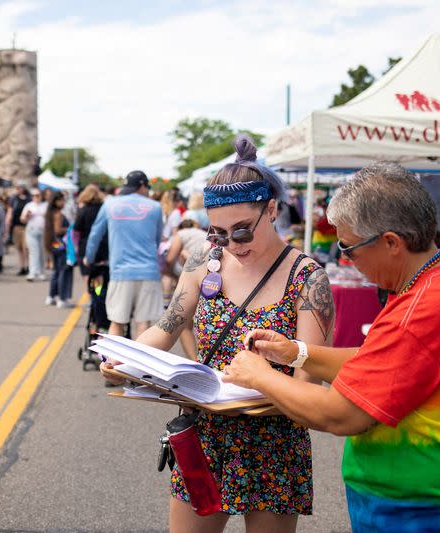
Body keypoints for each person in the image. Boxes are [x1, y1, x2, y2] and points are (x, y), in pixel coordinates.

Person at [223, 162, 440, 533]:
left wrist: (260, 376)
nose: (346, 259)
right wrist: (296, 353)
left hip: (432, 511)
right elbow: (380, 363)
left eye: (348, 247)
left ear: (391, 242)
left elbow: (341, 414)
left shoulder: (422, 308)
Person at [101, 137, 334, 533]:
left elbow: (308, 382)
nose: (231, 245)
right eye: (219, 233)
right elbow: (167, 326)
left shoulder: (307, 278)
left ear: (272, 209)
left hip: (274, 444)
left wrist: (264, 381)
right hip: (205, 434)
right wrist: (129, 360)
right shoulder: (203, 260)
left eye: (242, 231)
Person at [85, 170, 163, 339]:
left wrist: (89, 258)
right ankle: (140, 364)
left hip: (120, 271)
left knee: (117, 322)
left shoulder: (110, 204)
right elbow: (157, 241)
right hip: (149, 271)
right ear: (142, 186)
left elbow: (94, 235)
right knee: (143, 324)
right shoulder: (155, 207)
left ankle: (115, 363)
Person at [163, 218, 207, 359]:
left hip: (196, 275)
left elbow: (170, 259)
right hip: (214, 275)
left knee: (184, 324)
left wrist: (173, 274)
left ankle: (194, 361)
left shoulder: (180, 234)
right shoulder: (202, 233)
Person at [74, 184, 109, 329]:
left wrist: (76, 248)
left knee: (89, 276)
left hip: (85, 248)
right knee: (101, 277)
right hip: (103, 247)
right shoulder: (104, 209)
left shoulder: (83, 211)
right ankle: (98, 296)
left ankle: (93, 297)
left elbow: (76, 231)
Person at [44, 191, 74, 307]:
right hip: (61, 245)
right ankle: (62, 298)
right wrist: (70, 228)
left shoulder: (50, 213)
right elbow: (57, 230)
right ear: (56, 201)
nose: (64, 202)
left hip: (54, 244)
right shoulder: (58, 214)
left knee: (56, 271)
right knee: (64, 271)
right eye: (62, 200)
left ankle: (51, 296)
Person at [20, 188, 47, 281]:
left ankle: (41, 272)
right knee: (33, 251)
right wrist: (27, 216)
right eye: (34, 195)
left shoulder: (45, 205)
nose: (36, 197)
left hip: (43, 231)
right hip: (31, 230)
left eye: (37, 195)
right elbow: (22, 219)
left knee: (42, 252)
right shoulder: (29, 206)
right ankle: (32, 272)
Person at [8, 185, 30, 276]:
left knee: (26, 248)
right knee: (19, 248)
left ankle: (28, 266)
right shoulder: (13, 199)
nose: (18, 189)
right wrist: (8, 224)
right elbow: (10, 212)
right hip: (16, 226)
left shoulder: (29, 199)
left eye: (20, 187)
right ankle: (22, 267)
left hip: (27, 226)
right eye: (17, 188)